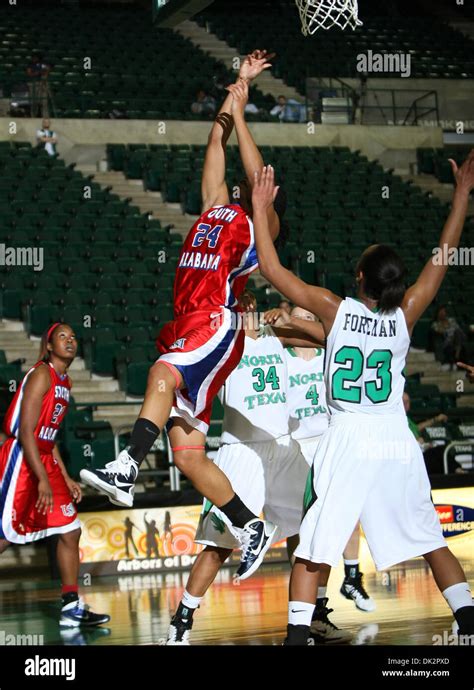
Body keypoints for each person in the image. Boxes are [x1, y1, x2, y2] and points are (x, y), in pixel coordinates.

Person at [249, 150, 474, 644]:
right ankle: (469, 621)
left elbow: (270, 267)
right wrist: (460, 197)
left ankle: (295, 636)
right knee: (430, 540)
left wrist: (260, 209)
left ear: (359, 280)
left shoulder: (334, 308)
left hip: (348, 435)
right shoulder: (407, 313)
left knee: (314, 544)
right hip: (394, 436)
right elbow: (443, 255)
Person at [80, 50, 285, 581]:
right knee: (189, 454)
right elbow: (213, 142)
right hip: (190, 320)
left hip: (216, 322)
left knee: (161, 374)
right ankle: (249, 525)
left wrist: (243, 117)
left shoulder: (259, 223)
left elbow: (250, 167)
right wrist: (237, 88)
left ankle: (126, 467)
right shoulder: (214, 207)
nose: (243, 181)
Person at [167, 291, 351, 645]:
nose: (248, 309)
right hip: (241, 452)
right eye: (240, 305)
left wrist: (290, 320)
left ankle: (307, 619)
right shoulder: (221, 342)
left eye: (249, 304)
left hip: (282, 445)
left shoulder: (275, 336)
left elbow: (327, 337)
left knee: (311, 524)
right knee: (219, 544)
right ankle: (182, 621)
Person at [0, 322, 110, 628]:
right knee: (5, 534)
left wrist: (64, 476)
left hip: (44, 456)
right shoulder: (40, 374)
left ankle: (71, 605)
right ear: (49, 346)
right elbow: (26, 433)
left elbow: (50, 437)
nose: (70, 340)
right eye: (63, 337)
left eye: (73, 336)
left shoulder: (66, 382)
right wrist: (44, 480)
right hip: (22, 458)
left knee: (70, 531)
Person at [269, 305, 376, 613]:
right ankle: (307, 605)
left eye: (308, 316)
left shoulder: (330, 357)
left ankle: (347, 579)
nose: (303, 321)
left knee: (344, 512)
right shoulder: (279, 357)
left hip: (329, 444)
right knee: (300, 531)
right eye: (298, 315)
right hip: (294, 448)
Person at [402, 392, 465, 475]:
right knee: (439, 452)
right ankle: (457, 471)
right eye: (404, 402)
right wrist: (415, 441)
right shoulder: (397, 420)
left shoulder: (407, 418)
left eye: (408, 402)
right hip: (413, 456)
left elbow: (417, 427)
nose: (407, 405)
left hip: (421, 450)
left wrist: (436, 419)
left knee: (440, 451)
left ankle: (457, 471)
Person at [430, 305, 467, 370]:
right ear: (437, 314)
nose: (442, 314)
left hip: (456, 339)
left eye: (443, 312)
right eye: (440, 312)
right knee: (456, 336)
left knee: (458, 333)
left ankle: (456, 355)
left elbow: (458, 329)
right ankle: (456, 356)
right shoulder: (435, 324)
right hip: (445, 341)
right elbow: (440, 332)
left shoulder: (451, 320)